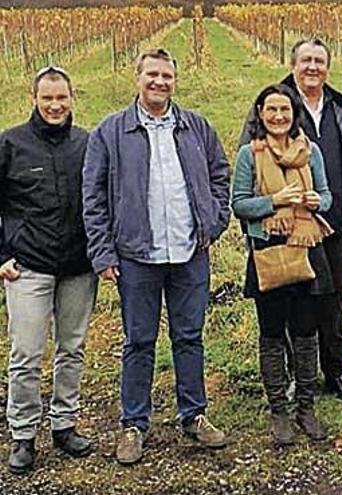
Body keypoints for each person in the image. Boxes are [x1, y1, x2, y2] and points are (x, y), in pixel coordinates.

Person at [82, 49, 230, 465]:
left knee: (189, 337)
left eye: (167, 75)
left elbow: (219, 174)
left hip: (189, 252)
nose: (159, 82)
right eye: (152, 74)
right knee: (139, 341)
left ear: (174, 80)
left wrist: (213, 222)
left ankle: (194, 414)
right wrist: (103, 252)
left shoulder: (195, 126)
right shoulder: (111, 132)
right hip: (135, 256)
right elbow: (92, 198)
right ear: (137, 77)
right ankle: (133, 423)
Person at [238, 38, 342, 405]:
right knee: (287, 310)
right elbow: (247, 183)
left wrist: (327, 205)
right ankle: (291, 378)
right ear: (293, 64)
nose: (312, 67)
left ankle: (335, 370)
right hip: (277, 233)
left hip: (326, 226)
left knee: (331, 302)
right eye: (306, 60)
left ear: (328, 66)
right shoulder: (272, 106)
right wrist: (271, 207)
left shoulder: (340, 106)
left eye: (319, 61)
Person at [1, 67, 97, 474]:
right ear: (34, 98)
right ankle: (23, 434)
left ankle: (64, 423)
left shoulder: (88, 144)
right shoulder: (10, 143)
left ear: (72, 97)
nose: (55, 106)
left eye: (62, 98)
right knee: (26, 353)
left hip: (79, 266)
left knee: (71, 348)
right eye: (47, 99)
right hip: (28, 267)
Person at [233, 84, 333, 444]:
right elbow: (239, 204)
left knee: (307, 333)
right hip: (269, 252)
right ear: (260, 113)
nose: (278, 116)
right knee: (272, 333)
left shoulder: (311, 151)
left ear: (295, 114)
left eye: (285, 110)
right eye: (271, 110)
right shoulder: (250, 154)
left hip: (306, 249)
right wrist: (274, 200)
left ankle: (306, 408)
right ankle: (279, 411)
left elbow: (327, 196)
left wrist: (313, 200)